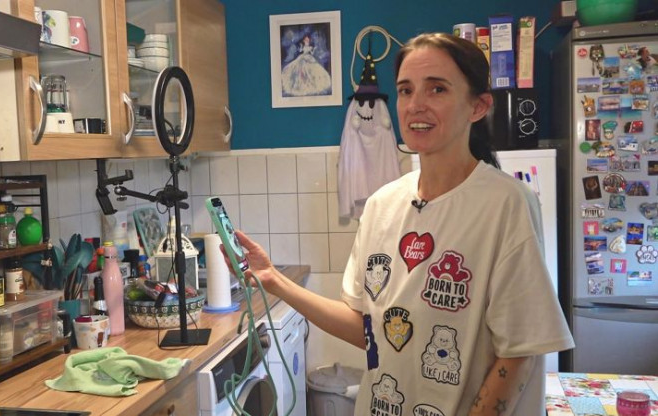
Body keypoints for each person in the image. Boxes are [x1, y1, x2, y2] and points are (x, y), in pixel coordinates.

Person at [227, 33, 573, 416]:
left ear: (478, 106)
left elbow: (520, 352)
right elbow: (368, 330)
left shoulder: (505, 204)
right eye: (406, 91)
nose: (415, 105)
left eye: (437, 89)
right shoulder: (382, 204)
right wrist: (274, 280)